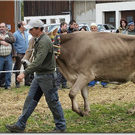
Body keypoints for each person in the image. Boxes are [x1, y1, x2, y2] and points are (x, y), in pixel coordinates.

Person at [5, 18, 66, 133]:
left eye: (32, 29)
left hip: (47, 77)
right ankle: (20, 124)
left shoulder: (43, 41)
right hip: (40, 76)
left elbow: (38, 62)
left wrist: (24, 73)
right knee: (30, 100)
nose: (30, 32)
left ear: (38, 29)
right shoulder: (39, 39)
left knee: (53, 102)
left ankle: (61, 127)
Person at [89, 23, 108, 88]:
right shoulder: (89, 37)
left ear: (97, 28)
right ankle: (92, 83)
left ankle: (104, 83)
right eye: (92, 28)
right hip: (92, 55)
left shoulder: (101, 36)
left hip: (101, 54)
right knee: (92, 69)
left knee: (103, 68)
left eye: (94, 28)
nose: (93, 29)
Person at [13, 21, 31, 88]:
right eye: (24, 25)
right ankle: (17, 83)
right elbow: (14, 44)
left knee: (27, 68)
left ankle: (27, 82)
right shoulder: (15, 34)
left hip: (26, 53)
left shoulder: (26, 33)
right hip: (19, 53)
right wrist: (17, 52)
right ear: (21, 26)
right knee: (18, 68)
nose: (25, 26)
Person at [0, 22, 15, 90]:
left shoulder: (9, 34)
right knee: (0, 71)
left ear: (6, 27)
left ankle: (7, 85)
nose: (1, 28)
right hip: (0, 56)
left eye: (3, 27)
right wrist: (1, 42)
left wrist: (3, 39)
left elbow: (13, 40)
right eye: (0, 27)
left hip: (8, 56)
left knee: (8, 71)